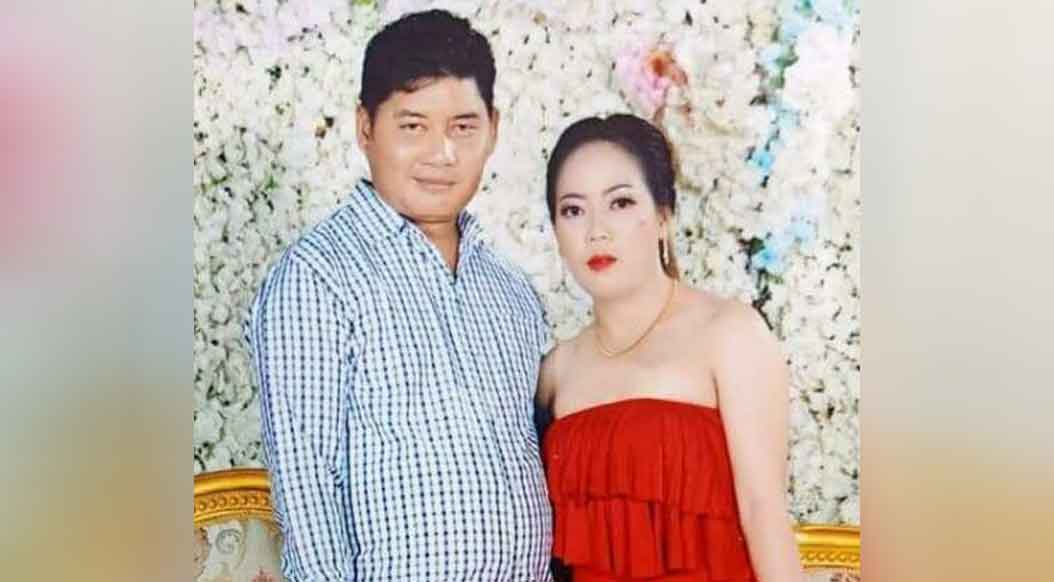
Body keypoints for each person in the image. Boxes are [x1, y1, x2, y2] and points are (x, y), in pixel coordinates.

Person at [245, 10, 553, 581]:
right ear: (365, 127)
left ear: (494, 129)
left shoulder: (512, 291)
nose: (442, 154)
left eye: (463, 127)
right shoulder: (319, 275)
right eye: (413, 126)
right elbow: (308, 488)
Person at [537, 114, 805, 582]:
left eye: (620, 203)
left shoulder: (729, 333)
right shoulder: (557, 369)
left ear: (664, 217)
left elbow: (763, 511)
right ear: (557, 234)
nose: (597, 231)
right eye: (573, 210)